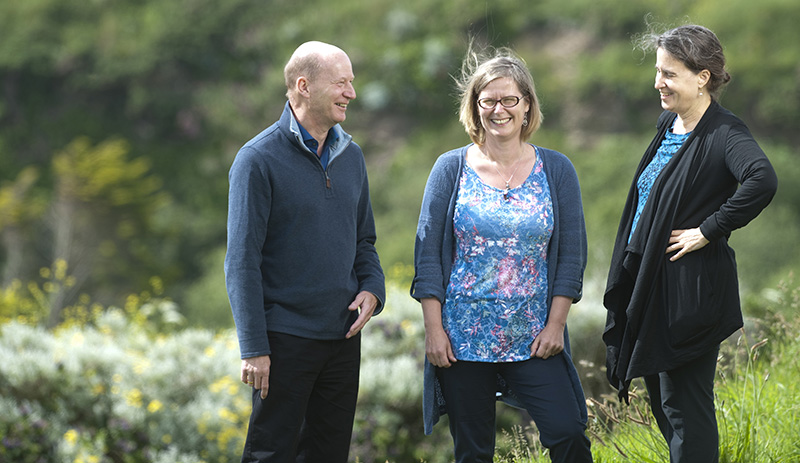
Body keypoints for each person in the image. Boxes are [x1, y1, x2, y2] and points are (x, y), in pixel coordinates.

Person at [603, 24, 778, 463]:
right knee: (666, 405)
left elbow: (762, 180)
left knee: (685, 410)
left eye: (669, 73)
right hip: (656, 287)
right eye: (658, 71)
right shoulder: (670, 123)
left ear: (702, 77)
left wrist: (709, 229)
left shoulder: (724, 133)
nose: (657, 82)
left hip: (689, 295)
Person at [411, 46, 593, 463]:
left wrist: (556, 325)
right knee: (474, 453)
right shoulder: (449, 168)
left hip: (534, 336)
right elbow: (427, 260)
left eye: (509, 99)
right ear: (475, 108)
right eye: (488, 100)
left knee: (567, 432)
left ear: (527, 105)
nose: (499, 109)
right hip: (462, 338)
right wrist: (434, 331)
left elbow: (570, 257)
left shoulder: (557, 169)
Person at [224, 41, 385, 463]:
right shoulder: (256, 160)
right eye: (341, 82)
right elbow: (241, 261)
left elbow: (364, 240)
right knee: (271, 455)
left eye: (351, 82)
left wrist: (372, 288)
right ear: (303, 85)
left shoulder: (352, 157)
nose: (351, 93)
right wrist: (253, 347)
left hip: (343, 339)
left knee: (328, 455)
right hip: (283, 342)